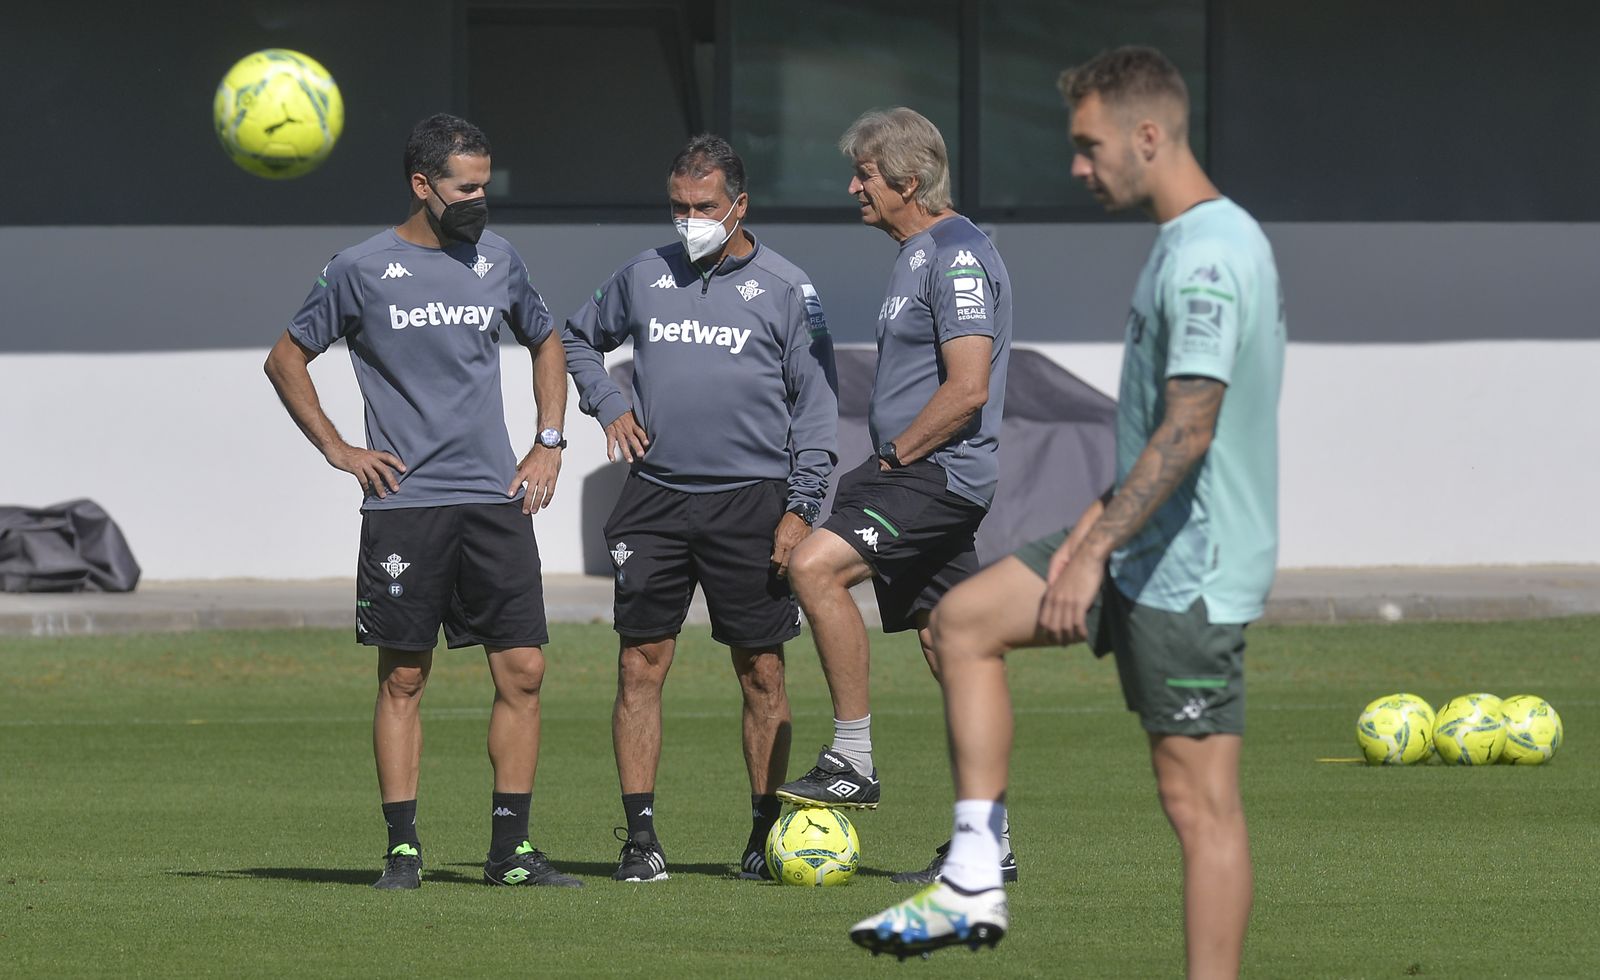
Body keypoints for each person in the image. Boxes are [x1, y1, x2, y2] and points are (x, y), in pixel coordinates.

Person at [849, 47, 1286, 975]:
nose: (1078, 168)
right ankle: (974, 873)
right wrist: (1090, 534)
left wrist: (1092, 552)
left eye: (1090, 148)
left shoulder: (1211, 252)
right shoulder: (1177, 241)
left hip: (1192, 572)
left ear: (1149, 135)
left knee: (1197, 804)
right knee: (962, 623)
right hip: (1136, 539)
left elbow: (1191, 425)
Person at [263, 113, 581, 890]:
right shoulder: (361, 268)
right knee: (404, 677)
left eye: (484, 184)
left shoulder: (499, 260)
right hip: (406, 506)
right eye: (465, 186)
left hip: (492, 500)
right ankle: (402, 849)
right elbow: (285, 359)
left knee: (525, 670)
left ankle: (510, 853)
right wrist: (339, 449)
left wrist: (548, 439)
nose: (479, 199)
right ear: (421, 185)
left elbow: (547, 340)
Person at [563, 134, 839, 883]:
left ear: (739, 206)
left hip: (752, 503)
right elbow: (575, 339)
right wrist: (610, 404)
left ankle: (763, 834)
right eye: (679, 206)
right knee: (639, 665)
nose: (690, 220)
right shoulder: (644, 273)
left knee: (762, 673)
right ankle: (641, 838)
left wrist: (802, 508)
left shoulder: (788, 289)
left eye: (704, 208)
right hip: (655, 498)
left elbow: (817, 412)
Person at [777, 107, 1014, 832]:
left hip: (933, 476)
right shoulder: (915, 253)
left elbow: (968, 388)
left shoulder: (959, 256)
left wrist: (894, 456)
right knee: (955, 655)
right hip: (920, 474)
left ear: (910, 181)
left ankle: (853, 761)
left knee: (814, 568)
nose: (854, 186)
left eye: (866, 174)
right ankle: (988, 842)